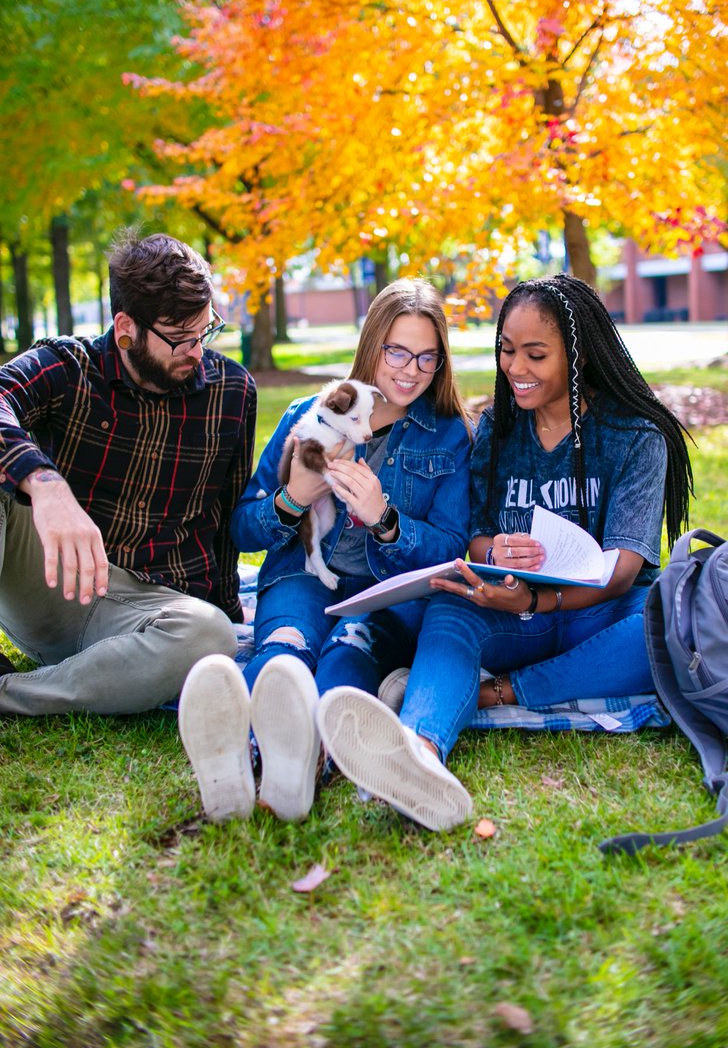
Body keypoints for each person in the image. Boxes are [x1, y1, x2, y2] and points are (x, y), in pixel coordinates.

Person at [317, 274, 694, 830]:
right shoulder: (496, 427)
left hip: (599, 617)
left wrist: (533, 602)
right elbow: (474, 537)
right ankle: (419, 756)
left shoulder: (636, 437)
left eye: (535, 354)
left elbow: (620, 574)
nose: (515, 368)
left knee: (665, 620)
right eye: (506, 350)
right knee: (450, 608)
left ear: (578, 353)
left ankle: (495, 693)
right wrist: (493, 552)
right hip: (512, 612)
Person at [178, 278, 473, 824]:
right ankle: (239, 754)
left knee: (346, 651)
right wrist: (292, 502)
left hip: (383, 597)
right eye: (397, 352)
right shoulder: (304, 416)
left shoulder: (449, 436)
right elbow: (242, 529)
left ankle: (306, 758)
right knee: (287, 644)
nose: (410, 371)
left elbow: (452, 547)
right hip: (302, 575)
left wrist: (386, 521)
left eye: (427, 358)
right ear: (372, 345)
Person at [0, 230, 256, 715]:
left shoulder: (232, 392)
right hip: (55, 587)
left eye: (205, 331)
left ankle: (15, 694)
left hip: (150, 613)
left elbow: (223, 525)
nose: (197, 350)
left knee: (211, 634)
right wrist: (45, 484)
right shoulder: (67, 366)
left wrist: (229, 615)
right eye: (179, 339)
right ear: (126, 328)